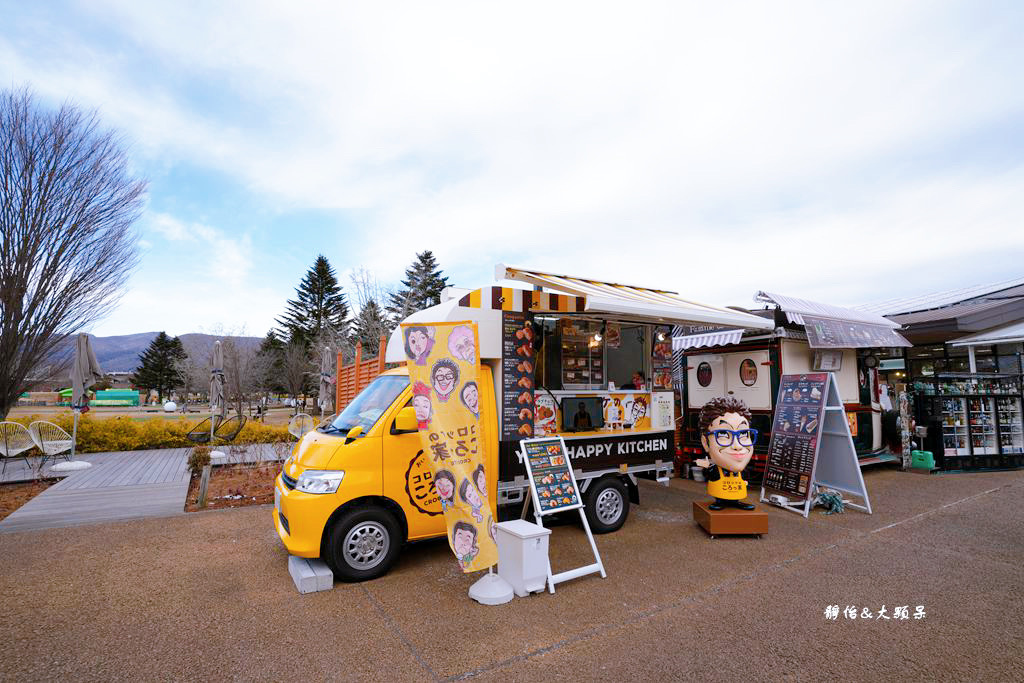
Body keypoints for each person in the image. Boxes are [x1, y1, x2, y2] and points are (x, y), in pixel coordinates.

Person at [694, 396, 758, 510]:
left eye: (743, 434)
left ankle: (735, 502)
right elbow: (706, 470)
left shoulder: (741, 471)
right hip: (720, 491)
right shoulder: (715, 469)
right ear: (705, 442)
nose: (737, 446)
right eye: (723, 434)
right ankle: (720, 502)